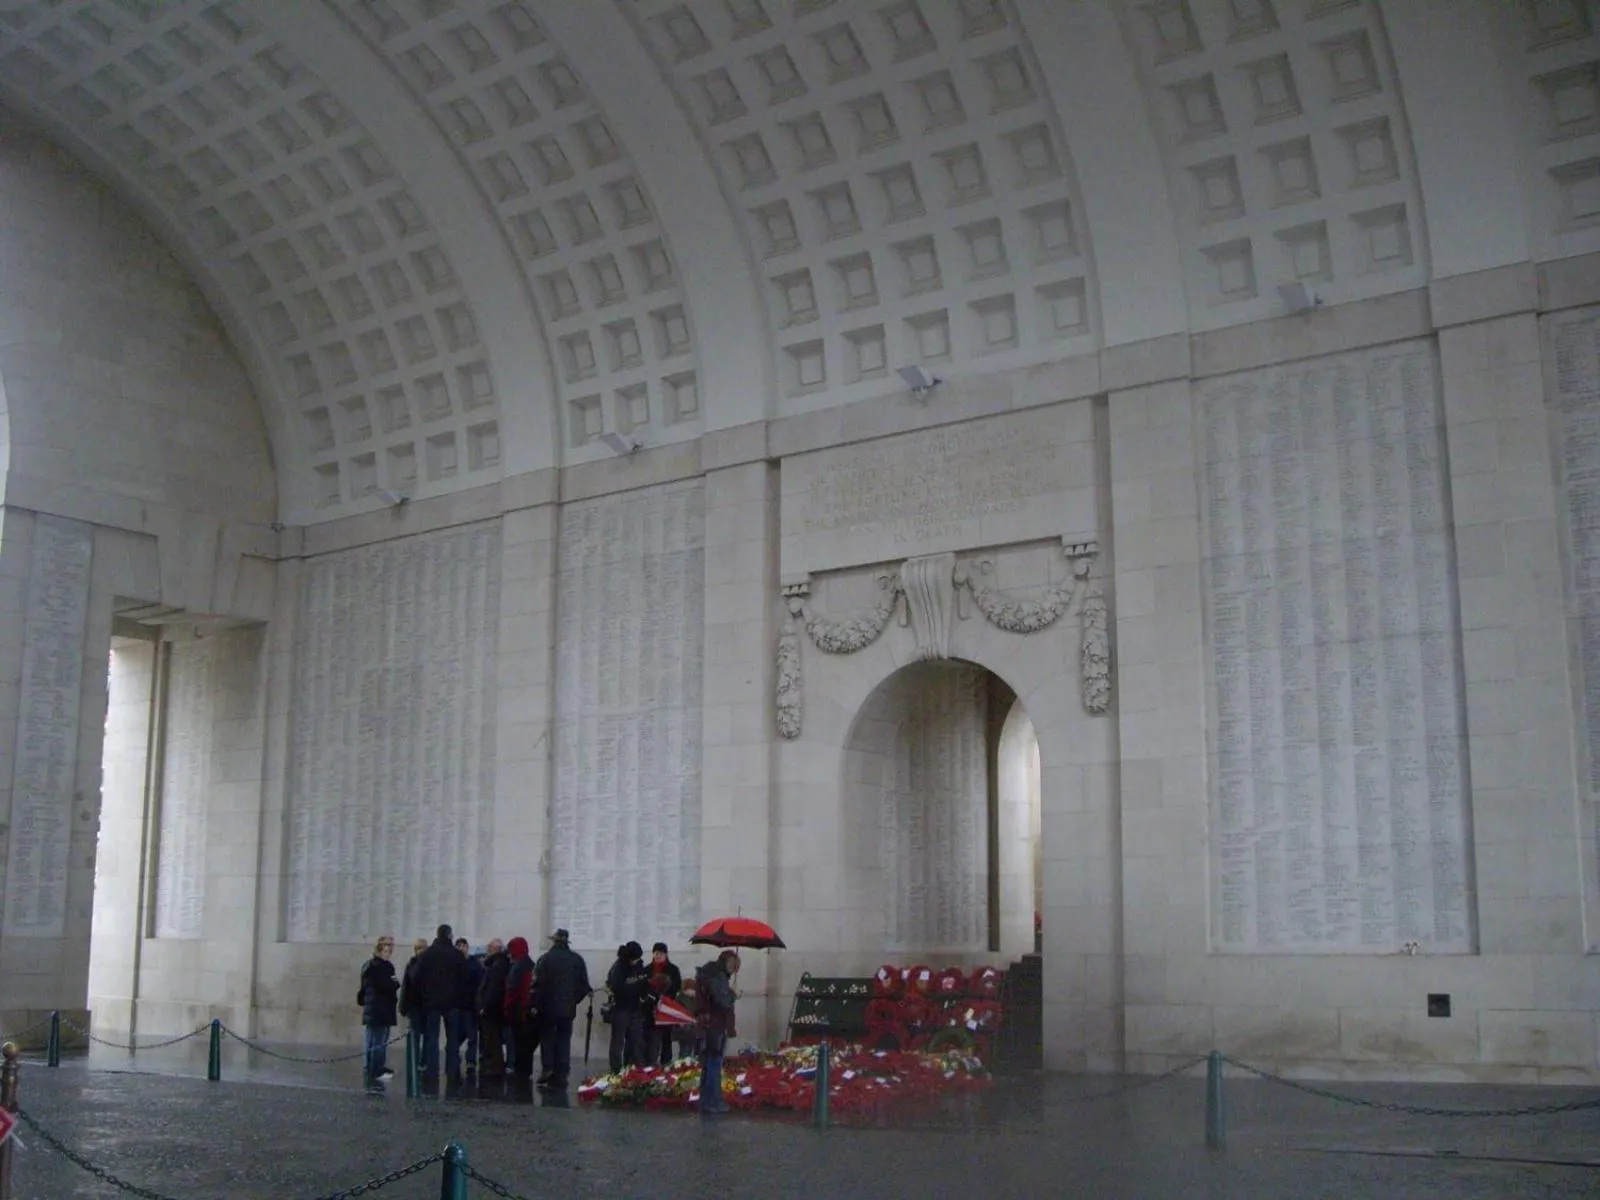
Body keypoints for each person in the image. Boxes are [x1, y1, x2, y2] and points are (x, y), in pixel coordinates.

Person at [534, 927, 591, 1089]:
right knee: (564, 1040)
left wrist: (537, 1004)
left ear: (554, 941)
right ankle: (562, 1072)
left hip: (547, 1008)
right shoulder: (577, 960)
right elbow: (584, 986)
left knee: (547, 1038)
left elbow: (538, 985)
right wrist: (573, 1000)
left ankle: (548, 1068)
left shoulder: (545, 959)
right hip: (567, 1008)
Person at [415, 924, 467, 1087]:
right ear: (450, 935)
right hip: (452, 1002)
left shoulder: (427, 954)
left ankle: (432, 1070)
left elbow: (418, 977)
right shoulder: (457, 955)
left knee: (432, 1038)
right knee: (453, 1039)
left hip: (432, 1002)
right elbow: (463, 979)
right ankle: (452, 1069)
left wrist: (425, 995)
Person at [696, 950, 740, 1116]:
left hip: (707, 1024)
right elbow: (723, 1001)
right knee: (714, 1064)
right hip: (716, 1025)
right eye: (732, 965)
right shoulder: (718, 977)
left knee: (708, 1064)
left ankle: (705, 1100)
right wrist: (734, 995)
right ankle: (713, 1101)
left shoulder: (707, 974)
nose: (733, 969)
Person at [359, 935, 399, 1086]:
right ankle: (376, 1070)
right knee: (379, 1040)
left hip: (373, 1007)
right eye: (386, 950)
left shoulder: (368, 965)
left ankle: (370, 1067)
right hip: (381, 1007)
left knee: (372, 1039)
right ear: (380, 950)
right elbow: (389, 985)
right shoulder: (382, 967)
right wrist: (394, 983)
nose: (388, 953)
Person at [606, 941, 649, 1073]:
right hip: (621, 1008)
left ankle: (634, 1067)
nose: (637, 961)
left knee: (636, 1040)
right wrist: (634, 989)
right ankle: (616, 1070)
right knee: (618, 1041)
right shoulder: (619, 968)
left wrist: (643, 993)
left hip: (635, 1008)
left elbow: (643, 982)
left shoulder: (639, 966)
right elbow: (616, 987)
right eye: (635, 958)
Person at [502, 936, 538, 1083]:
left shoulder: (517, 967)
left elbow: (512, 990)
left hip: (518, 1011)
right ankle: (526, 1071)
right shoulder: (531, 964)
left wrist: (507, 1008)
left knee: (518, 1043)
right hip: (529, 1010)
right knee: (527, 1044)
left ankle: (520, 1072)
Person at [643, 941, 683, 1065]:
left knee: (666, 1037)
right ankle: (650, 1063)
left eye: (660, 953)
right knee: (651, 1037)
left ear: (666, 954)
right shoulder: (647, 969)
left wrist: (665, 996)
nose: (658, 955)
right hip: (650, 1009)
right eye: (656, 953)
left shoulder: (673, 969)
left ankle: (666, 1063)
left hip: (666, 1007)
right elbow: (643, 986)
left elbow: (677, 986)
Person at [477, 938, 509, 1079]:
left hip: (492, 1009)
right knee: (492, 1038)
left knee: (492, 1038)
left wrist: (484, 1006)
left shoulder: (497, 965)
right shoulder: (499, 964)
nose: (487, 949)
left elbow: (493, 988)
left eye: (490, 947)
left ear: (496, 949)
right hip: (496, 1008)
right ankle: (494, 1065)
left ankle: (494, 1066)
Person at [452, 937, 483, 1078]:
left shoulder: (474, 964)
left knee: (472, 1036)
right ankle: (455, 1059)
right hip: (456, 1005)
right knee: (456, 1036)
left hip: (470, 1006)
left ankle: (470, 1062)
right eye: (458, 946)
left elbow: (480, 983)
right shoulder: (452, 963)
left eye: (463, 945)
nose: (461, 948)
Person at [399, 937, 427, 1050]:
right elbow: (406, 986)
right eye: (418, 948)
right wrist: (403, 1007)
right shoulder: (411, 964)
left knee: (428, 1038)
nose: (421, 951)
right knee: (413, 1037)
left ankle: (424, 1060)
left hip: (427, 1005)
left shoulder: (431, 964)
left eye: (423, 948)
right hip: (414, 1006)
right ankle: (413, 1060)